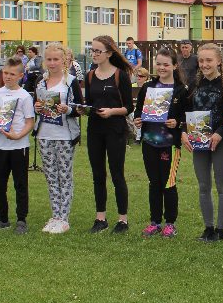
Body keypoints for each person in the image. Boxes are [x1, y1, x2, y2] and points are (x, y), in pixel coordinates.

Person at [182, 43, 223, 242]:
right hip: (199, 142)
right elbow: (185, 112)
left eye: (209, 60)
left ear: (219, 61)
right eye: (201, 60)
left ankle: (220, 230)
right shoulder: (194, 84)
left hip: (220, 141)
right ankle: (208, 228)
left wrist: (220, 133)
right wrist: (183, 132)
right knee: (203, 186)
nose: (204, 64)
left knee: (222, 186)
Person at [134, 48, 188, 238]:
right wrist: (138, 120)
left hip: (170, 145)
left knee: (168, 183)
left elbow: (186, 117)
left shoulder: (181, 90)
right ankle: (155, 222)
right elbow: (139, 110)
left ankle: (170, 223)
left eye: (166, 64)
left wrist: (177, 123)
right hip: (149, 142)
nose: (162, 67)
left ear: (175, 65)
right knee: (154, 183)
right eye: (158, 64)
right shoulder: (148, 87)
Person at [84, 35, 134, 234]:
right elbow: (89, 103)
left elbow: (129, 107)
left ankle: (122, 220)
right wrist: (82, 109)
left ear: (109, 53)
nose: (94, 54)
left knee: (116, 174)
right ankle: (100, 218)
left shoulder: (120, 75)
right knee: (98, 174)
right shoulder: (90, 76)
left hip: (115, 129)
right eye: (92, 50)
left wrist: (112, 112)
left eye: (98, 51)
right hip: (94, 130)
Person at [34, 43, 84, 234]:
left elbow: (80, 108)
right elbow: (36, 105)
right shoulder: (40, 81)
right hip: (44, 134)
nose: (52, 63)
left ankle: (64, 218)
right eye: (49, 59)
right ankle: (55, 215)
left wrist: (68, 109)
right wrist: (37, 107)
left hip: (64, 135)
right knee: (51, 176)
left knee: (64, 175)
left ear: (63, 60)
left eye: (56, 59)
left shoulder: (70, 81)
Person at [0, 58, 35, 234]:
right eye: (5, 73)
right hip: (0, 147)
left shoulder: (24, 96)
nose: (8, 77)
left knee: (20, 184)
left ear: (20, 76)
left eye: (12, 74)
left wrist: (18, 135)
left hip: (19, 147)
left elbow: (30, 122)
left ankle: (21, 220)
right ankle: (2, 219)